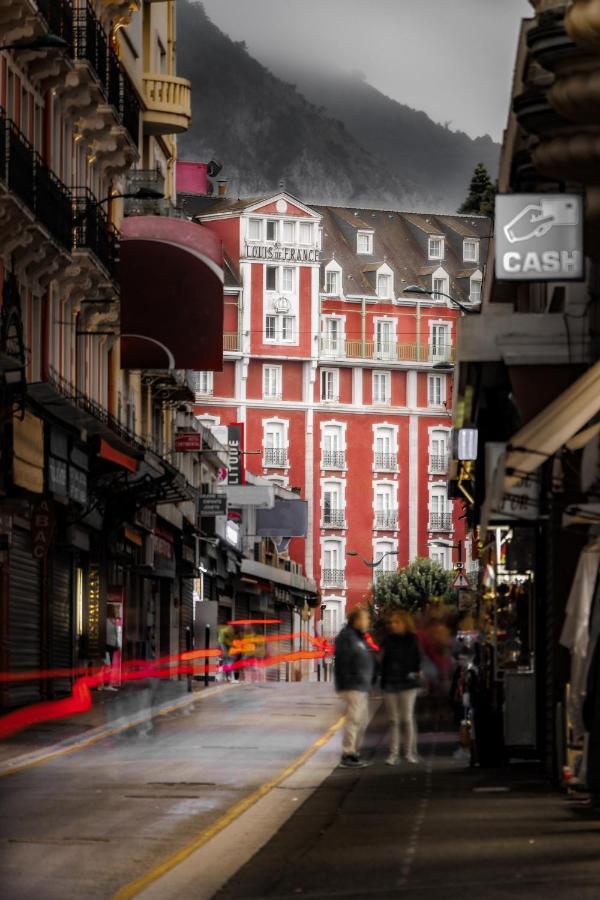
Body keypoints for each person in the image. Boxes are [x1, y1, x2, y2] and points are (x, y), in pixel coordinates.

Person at [334, 605, 375, 768]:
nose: (368, 621)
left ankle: (353, 751)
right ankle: (348, 754)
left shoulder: (359, 636)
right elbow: (344, 661)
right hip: (353, 685)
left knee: (362, 720)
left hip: (361, 685)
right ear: (357, 620)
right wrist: (348, 681)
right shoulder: (347, 637)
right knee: (354, 720)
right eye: (366, 618)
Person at [380, 608, 423, 765]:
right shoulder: (388, 640)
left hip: (408, 683)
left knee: (406, 718)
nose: (393, 625)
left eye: (396, 622)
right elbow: (383, 661)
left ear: (404, 623)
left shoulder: (412, 639)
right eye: (391, 622)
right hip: (391, 683)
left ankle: (409, 752)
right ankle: (394, 753)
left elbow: (417, 660)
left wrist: (413, 672)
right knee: (393, 721)